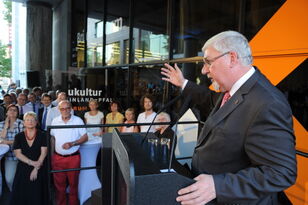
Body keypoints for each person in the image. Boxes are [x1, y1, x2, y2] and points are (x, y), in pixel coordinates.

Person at [161, 30, 297, 204]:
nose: (203, 70)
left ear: (232, 58)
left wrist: (218, 186)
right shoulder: (233, 91)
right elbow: (208, 98)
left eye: (208, 62)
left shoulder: (268, 103)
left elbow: (281, 172)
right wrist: (183, 83)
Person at [51, 100, 88, 205]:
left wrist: (72, 143)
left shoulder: (78, 120)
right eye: (62, 109)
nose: (65, 110)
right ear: (59, 110)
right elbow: (53, 138)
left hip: (73, 158)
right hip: (58, 158)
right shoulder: (55, 121)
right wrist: (52, 155)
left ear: (71, 109)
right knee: (59, 186)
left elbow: (85, 137)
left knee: (73, 184)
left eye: (67, 108)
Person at [10, 112, 48, 205]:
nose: (30, 122)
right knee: (22, 193)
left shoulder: (43, 135)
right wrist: (31, 163)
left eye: (32, 120)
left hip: (40, 166)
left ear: (36, 122)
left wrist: (36, 168)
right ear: (24, 122)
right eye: (27, 120)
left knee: (37, 192)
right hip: (24, 166)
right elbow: (18, 154)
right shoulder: (18, 136)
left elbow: (44, 153)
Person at [0, 104, 24, 191]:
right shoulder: (1, 124)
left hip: (23, 155)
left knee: (23, 178)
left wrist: (8, 142)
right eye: (10, 110)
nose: (12, 112)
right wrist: (6, 127)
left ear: (17, 113)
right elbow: (1, 140)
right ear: (6, 112)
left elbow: (23, 140)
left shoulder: (22, 123)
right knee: (9, 179)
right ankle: (13, 192)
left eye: (15, 110)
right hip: (9, 157)